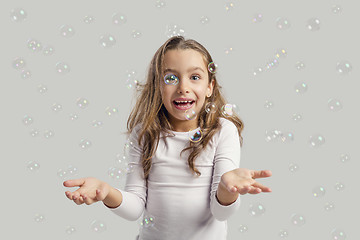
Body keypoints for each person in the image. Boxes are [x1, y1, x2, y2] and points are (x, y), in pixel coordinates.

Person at [63, 36, 272, 240]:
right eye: (171, 78)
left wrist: (227, 188)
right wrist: (106, 192)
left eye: (195, 77)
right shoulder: (145, 134)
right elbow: (134, 208)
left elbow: (221, 213)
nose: (183, 87)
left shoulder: (222, 131)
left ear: (210, 87)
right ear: (158, 87)